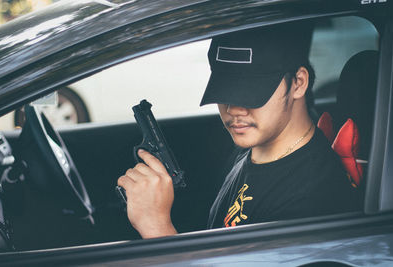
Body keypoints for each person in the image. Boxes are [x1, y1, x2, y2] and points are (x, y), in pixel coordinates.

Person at [117, 22, 360, 238]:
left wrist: (158, 228)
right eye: (225, 92)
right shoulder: (252, 150)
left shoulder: (312, 200)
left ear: (298, 83)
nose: (234, 109)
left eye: (251, 93)